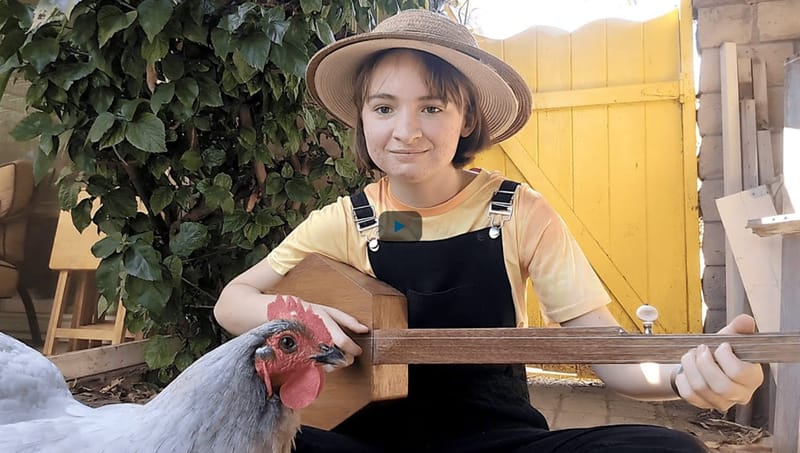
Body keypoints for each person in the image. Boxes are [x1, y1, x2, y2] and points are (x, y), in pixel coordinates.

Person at [214, 9, 763, 453]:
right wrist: (299, 318)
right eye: (384, 107)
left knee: (666, 450)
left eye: (431, 107)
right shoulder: (346, 220)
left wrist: (682, 377)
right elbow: (232, 301)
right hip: (364, 442)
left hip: (498, 439)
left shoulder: (517, 210)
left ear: (467, 119)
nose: (405, 131)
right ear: (363, 119)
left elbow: (602, 345)